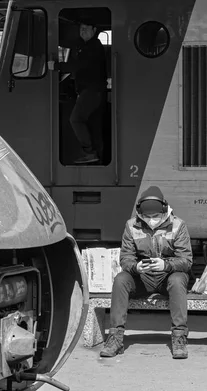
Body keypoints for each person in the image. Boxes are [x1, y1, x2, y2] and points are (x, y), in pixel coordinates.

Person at [100, 186, 193, 359]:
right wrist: (136, 268)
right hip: (143, 278)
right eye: (147, 217)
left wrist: (165, 265)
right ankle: (115, 338)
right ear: (140, 213)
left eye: (155, 216)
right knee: (121, 279)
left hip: (168, 278)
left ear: (164, 210)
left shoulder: (178, 225)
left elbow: (186, 261)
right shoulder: (131, 225)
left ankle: (179, 337)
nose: (151, 220)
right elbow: (126, 258)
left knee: (178, 280)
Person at [51, 22, 107, 164]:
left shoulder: (93, 47)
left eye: (86, 28)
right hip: (90, 91)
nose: (83, 31)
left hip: (91, 91)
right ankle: (95, 153)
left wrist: (56, 66)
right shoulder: (86, 46)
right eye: (81, 28)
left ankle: (89, 152)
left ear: (94, 29)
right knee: (91, 124)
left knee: (75, 119)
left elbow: (78, 65)